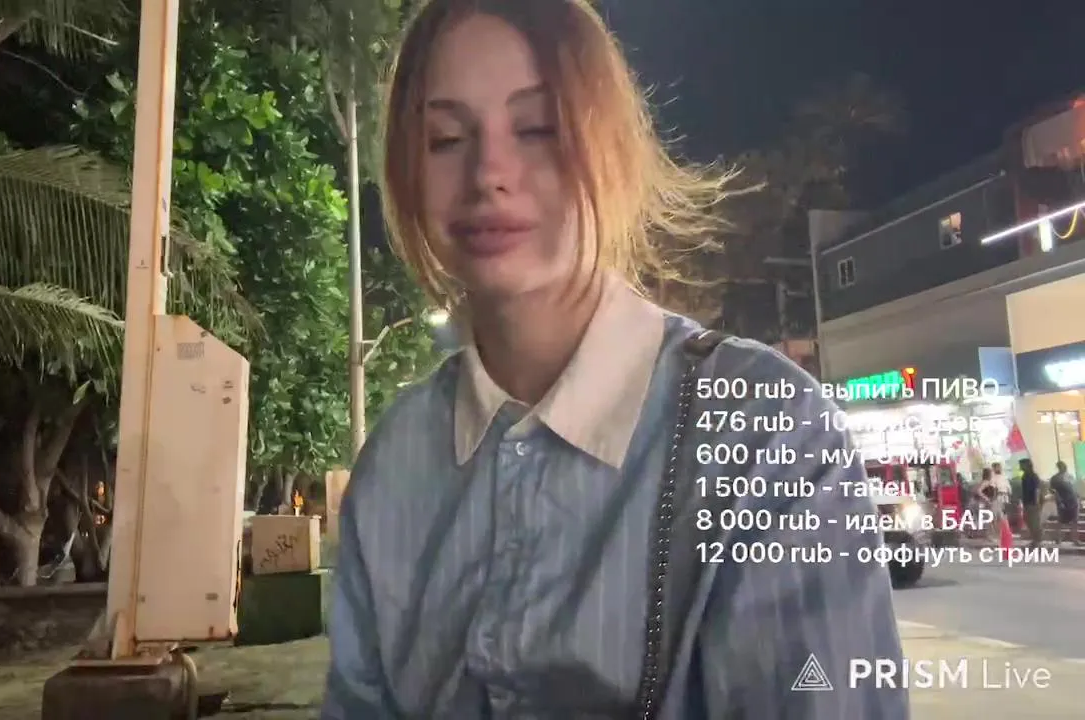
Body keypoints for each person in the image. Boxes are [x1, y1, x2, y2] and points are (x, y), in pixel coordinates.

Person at [322, 1, 907, 718]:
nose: (489, 173)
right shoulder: (392, 466)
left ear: (611, 147)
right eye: (445, 138)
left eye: (538, 128)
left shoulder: (770, 432)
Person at [1048, 461, 1081, 545]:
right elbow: (1053, 491)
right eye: (1061, 466)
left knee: (1074, 520)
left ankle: (1075, 539)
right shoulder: (1055, 478)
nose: (1064, 468)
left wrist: (1078, 498)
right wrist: (1059, 501)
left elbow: (1074, 489)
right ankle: (1058, 538)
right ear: (1058, 467)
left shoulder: (1070, 476)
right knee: (1061, 521)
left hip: (1073, 500)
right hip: (1063, 501)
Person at [1020, 458, 1044, 549]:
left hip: (1033, 502)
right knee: (1029, 521)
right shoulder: (1025, 476)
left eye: (1022, 465)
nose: (1020, 466)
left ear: (1027, 465)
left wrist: (1037, 501)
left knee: (1035, 522)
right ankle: (1034, 540)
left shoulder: (1033, 476)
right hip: (1027, 502)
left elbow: (1037, 489)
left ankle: (1038, 541)